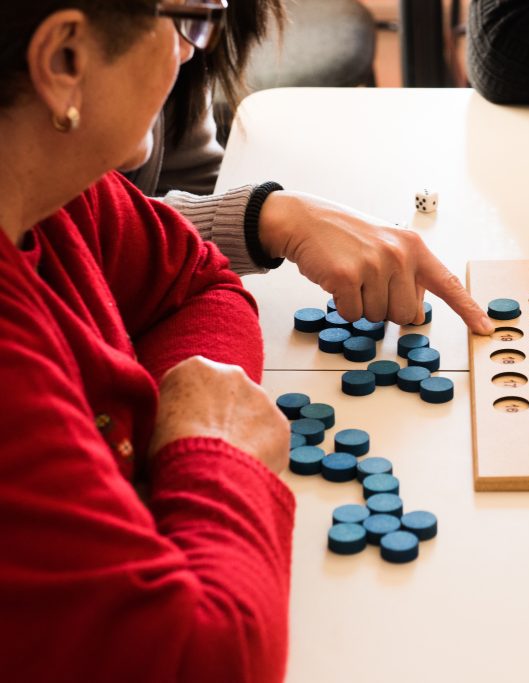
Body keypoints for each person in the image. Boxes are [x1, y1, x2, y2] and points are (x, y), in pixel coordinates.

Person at [0, 3, 290, 679]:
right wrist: (211, 448)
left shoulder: (57, 189)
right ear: (64, 61)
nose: (193, 53)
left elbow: (196, 283)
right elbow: (213, 658)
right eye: (190, 19)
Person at [123, 0, 494, 332]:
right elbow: (91, 236)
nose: (187, 51)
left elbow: (192, 180)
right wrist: (268, 219)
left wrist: (271, 217)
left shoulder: (184, 33)